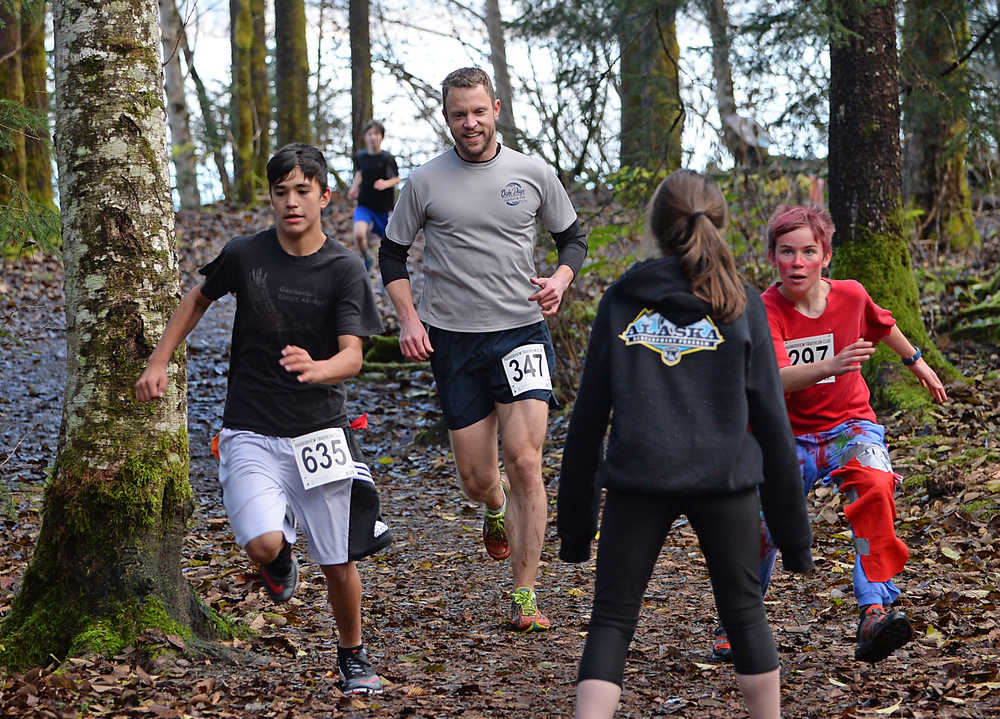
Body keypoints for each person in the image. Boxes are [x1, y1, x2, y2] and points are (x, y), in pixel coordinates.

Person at [135, 143, 391, 694]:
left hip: (321, 432)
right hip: (249, 427)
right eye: (281, 193)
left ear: (325, 197)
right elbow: (197, 300)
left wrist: (318, 368)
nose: (292, 202)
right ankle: (279, 559)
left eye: (303, 191)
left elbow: (353, 356)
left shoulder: (344, 268)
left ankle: (353, 656)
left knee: (339, 560)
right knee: (260, 543)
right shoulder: (244, 255)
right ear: (271, 199)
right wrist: (159, 361)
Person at [557, 170, 813, 719]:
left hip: (638, 478)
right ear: (717, 222)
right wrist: (795, 539)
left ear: (657, 227)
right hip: (726, 481)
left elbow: (587, 420)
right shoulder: (740, 303)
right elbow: (772, 422)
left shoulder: (623, 301)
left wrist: (576, 530)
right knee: (745, 614)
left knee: (611, 620)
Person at [378, 67, 588, 632]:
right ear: (445, 117)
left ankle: (525, 595)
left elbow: (572, 237)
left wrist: (560, 281)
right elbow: (392, 256)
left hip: (521, 330)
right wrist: (408, 319)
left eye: (477, 111)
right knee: (477, 478)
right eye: (457, 114)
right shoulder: (424, 182)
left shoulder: (532, 172)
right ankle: (494, 511)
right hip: (453, 340)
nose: (469, 123)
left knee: (525, 460)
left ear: (496, 108)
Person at [712, 205, 948, 665]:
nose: (797, 262)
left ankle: (874, 612)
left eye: (808, 252)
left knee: (876, 488)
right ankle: (738, 619)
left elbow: (883, 323)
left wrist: (915, 361)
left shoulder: (851, 295)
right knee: (759, 522)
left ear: (826, 256)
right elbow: (773, 378)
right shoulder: (763, 309)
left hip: (849, 425)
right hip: (782, 434)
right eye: (787, 252)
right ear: (773, 258)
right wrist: (831, 365)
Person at [348, 120, 400, 272]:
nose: (373, 137)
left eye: (376, 134)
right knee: (358, 234)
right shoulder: (360, 156)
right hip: (364, 204)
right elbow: (359, 173)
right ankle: (367, 258)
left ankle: (387, 274)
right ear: (365, 137)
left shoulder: (387, 158)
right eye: (370, 134)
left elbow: (397, 178)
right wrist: (354, 187)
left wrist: (385, 183)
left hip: (383, 208)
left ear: (382, 137)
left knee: (386, 245)